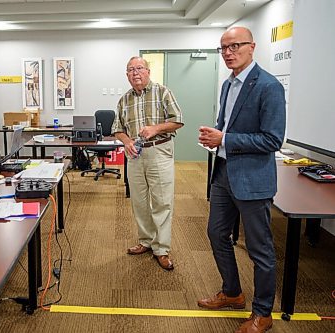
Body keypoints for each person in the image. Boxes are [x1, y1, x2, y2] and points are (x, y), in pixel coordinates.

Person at [198, 27, 286, 333]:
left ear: (252, 47)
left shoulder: (269, 86)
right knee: (216, 234)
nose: (228, 52)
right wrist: (216, 138)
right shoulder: (227, 85)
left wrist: (226, 138)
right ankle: (233, 292)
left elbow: (273, 139)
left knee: (259, 249)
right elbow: (227, 127)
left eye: (234, 46)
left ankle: (263, 313)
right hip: (224, 174)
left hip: (252, 179)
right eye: (223, 48)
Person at [112, 56, 184, 271]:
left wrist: (156, 128)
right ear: (127, 75)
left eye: (139, 68)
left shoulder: (162, 92)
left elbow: (178, 120)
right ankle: (146, 241)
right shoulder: (124, 100)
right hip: (135, 155)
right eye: (131, 70)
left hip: (159, 150)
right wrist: (126, 142)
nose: (135, 73)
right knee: (139, 201)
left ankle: (161, 249)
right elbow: (118, 129)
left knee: (162, 201)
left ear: (148, 70)